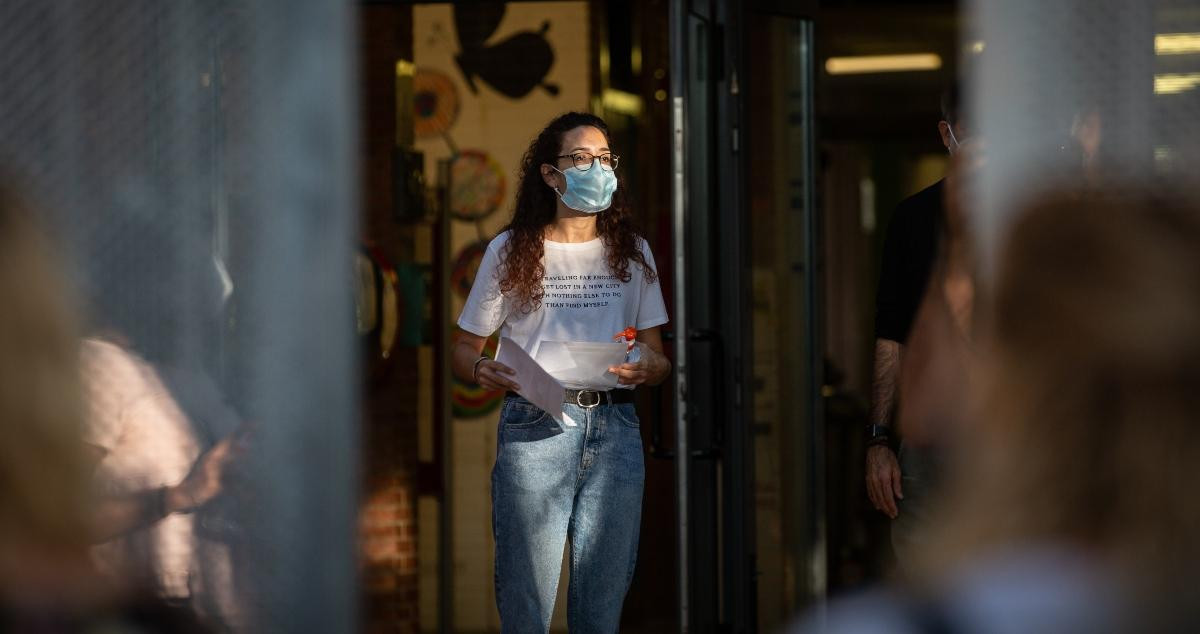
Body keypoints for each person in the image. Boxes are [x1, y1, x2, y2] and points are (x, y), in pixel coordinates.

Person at [452, 111, 671, 633]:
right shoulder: (510, 250)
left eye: (604, 158)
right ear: (551, 175)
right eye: (581, 158)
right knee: (527, 602)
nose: (597, 168)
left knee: (602, 604)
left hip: (616, 429)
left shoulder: (633, 252)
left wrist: (648, 368)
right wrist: (482, 368)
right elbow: (463, 349)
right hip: (535, 425)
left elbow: (659, 357)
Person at [865, 84, 965, 567]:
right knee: (931, 579)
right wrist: (879, 439)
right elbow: (892, 333)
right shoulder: (914, 219)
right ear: (947, 134)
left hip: (1017, 429)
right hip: (931, 438)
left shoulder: (1031, 218)